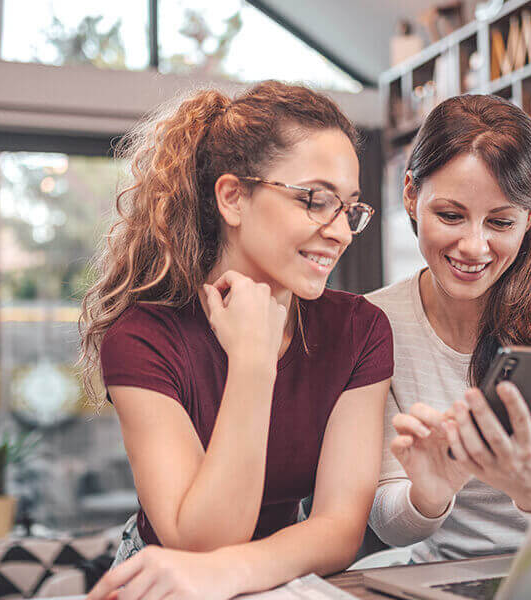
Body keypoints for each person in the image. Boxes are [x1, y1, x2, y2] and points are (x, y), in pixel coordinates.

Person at [79, 81, 393, 599]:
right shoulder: (143, 337)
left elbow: (339, 528)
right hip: (170, 583)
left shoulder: (359, 331)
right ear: (233, 197)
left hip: (281, 578)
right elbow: (200, 547)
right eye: (316, 200)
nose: (339, 231)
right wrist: (252, 363)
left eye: (350, 208)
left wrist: (244, 571)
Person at [366, 94, 531, 562]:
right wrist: (429, 493)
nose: (474, 246)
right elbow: (389, 526)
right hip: (438, 578)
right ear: (410, 194)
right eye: (450, 215)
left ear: (529, 218)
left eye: (500, 222)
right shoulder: (375, 324)